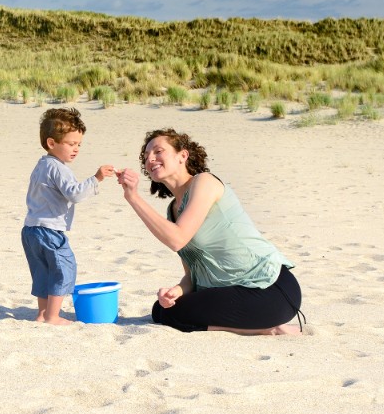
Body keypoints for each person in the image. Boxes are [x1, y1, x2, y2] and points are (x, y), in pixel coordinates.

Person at [116, 128, 303, 335]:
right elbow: (192, 274)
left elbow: (177, 239)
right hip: (232, 291)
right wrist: (176, 291)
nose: (150, 158)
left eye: (158, 151)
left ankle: (268, 329)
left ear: (182, 155)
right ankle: (261, 327)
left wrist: (133, 197)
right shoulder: (173, 211)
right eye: (146, 156)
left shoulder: (204, 182)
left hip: (270, 289)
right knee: (162, 309)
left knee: (172, 315)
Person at [22, 107, 117, 325]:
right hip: (49, 231)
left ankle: (42, 314)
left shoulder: (42, 164)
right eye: (71, 144)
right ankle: (53, 316)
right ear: (51, 143)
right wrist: (97, 178)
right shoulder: (59, 169)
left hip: (31, 230)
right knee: (63, 268)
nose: (76, 149)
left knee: (43, 272)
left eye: (79, 145)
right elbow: (74, 194)